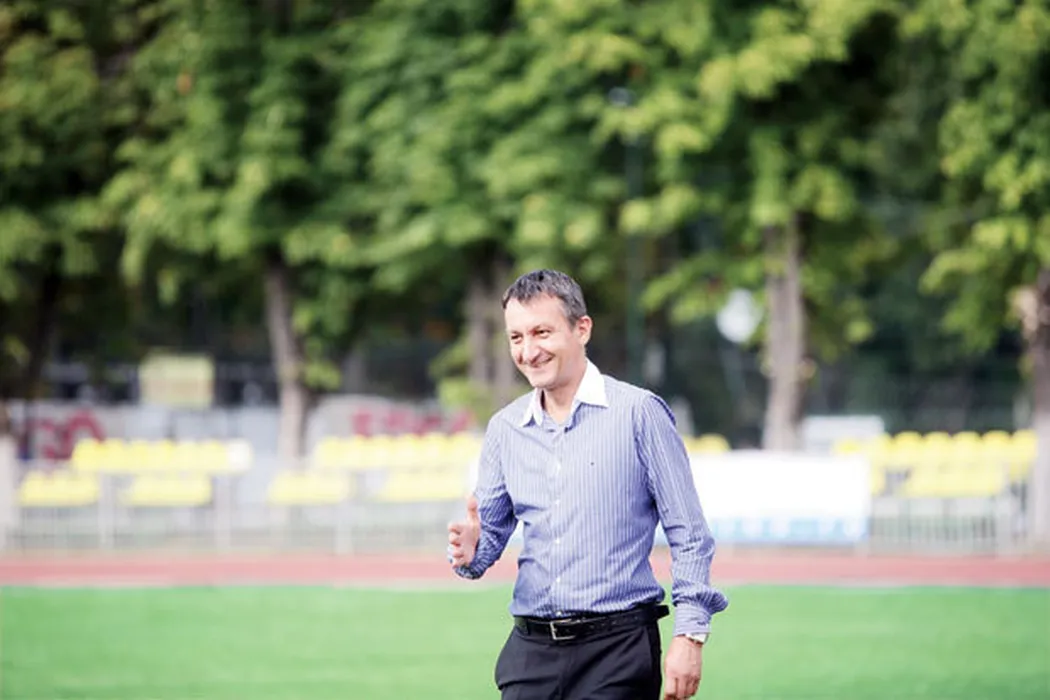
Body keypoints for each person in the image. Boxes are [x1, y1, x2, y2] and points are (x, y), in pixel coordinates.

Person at [447, 268, 728, 700]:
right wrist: (471, 550)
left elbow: (689, 535)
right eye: (516, 337)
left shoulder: (639, 414)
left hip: (618, 652)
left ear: (582, 329)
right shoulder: (505, 429)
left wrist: (690, 635)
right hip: (530, 655)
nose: (528, 351)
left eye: (542, 332)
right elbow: (484, 547)